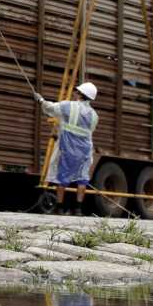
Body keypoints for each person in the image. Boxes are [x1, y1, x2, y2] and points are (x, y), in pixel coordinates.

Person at [37, 82, 99, 215]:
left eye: (77, 91)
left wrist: (41, 100)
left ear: (81, 94)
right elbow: (87, 131)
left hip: (68, 148)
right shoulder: (94, 115)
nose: (75, 92)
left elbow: (51, 108)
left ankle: (59, 207)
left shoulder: (68, 106)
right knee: (82, 179)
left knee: (62, 177)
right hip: (85, 151)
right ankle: (78, 209)